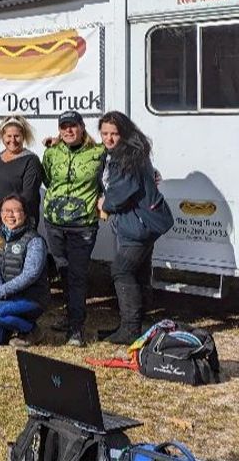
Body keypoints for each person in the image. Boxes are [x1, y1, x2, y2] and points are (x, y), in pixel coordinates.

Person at [97, 110, 169, 345]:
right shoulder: (122, 153)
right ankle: (136, 325)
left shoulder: (128, 156)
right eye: (105, 133)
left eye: (114, 134)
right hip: (137, 222)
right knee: (138, 273)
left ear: (124, 133)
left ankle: (129, 329)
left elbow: (123, 190)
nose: (108, 138)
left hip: (138, 224)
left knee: (121, 270)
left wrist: (105, 204)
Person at [39, 110, 105, 347]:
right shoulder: (52, 152)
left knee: (77, 275)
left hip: (82, 226)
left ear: (82, 127)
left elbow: (110, 178)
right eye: (64, 127)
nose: (68, 131)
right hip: (54, 222)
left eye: (73, 126)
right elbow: (47, 180)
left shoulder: (98, 153)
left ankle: (76, 329)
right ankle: (70, 316)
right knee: (63, 271)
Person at [0, 195, 50, 347]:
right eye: (6, 210)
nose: (10, 215)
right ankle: (14, 325)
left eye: (16, 211)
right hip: (5, 296)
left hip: (31, 298)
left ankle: (32, 330)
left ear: (25, 214)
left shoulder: (34, 240)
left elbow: (30, 275)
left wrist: (1, 292)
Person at [0, 115, 42, 236]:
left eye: (17, 136)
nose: (12, 140)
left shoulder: (31, 161)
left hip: (18, 227)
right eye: (8, 136)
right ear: (2, 137)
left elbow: (28, 196)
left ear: (23, 137)